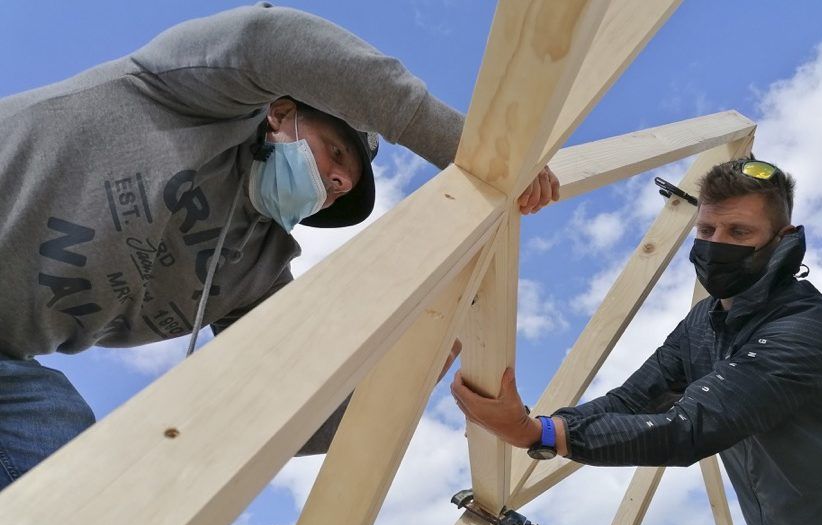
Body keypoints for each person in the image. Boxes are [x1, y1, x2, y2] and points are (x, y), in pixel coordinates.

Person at [0, 4, 559, 491]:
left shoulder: (253, 270)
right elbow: (266, 40)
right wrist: (475, 154)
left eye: (344, 185)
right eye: (336, 152)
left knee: (52, 473)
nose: (339, 181)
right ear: (281, 113)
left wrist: (410, 368)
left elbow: (281, 411)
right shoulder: (194, 101)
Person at [451, 158, 822, 525]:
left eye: (738, 232)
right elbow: (630, 401)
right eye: (706, 230)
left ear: (783, 239)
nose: (716, 244)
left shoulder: (807, 327)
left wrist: (535, 434)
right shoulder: (704, 325)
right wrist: (536, 424)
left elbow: (687, 430)